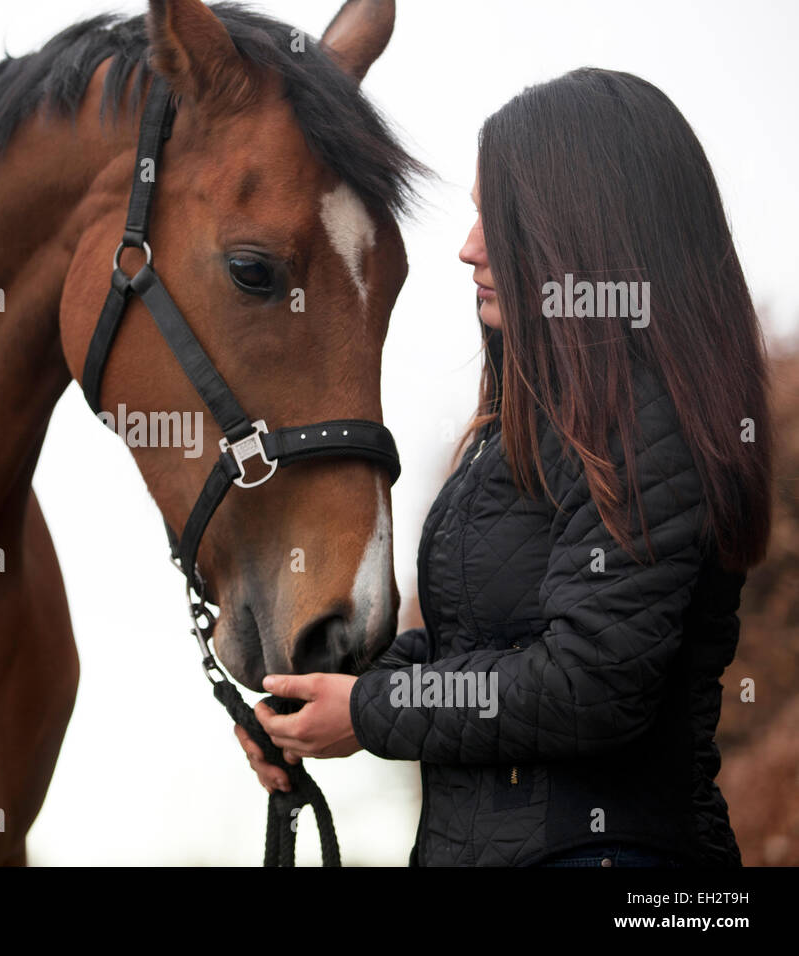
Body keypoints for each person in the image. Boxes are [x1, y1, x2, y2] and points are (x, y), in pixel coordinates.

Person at [235, 68, 773, 867]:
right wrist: (319, 690)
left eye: (498, 218)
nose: (467, 248)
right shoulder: (525, 433)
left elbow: (590, 685)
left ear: (578, 232)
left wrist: (376, 711)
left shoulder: (646, 422)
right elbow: (473, 648)